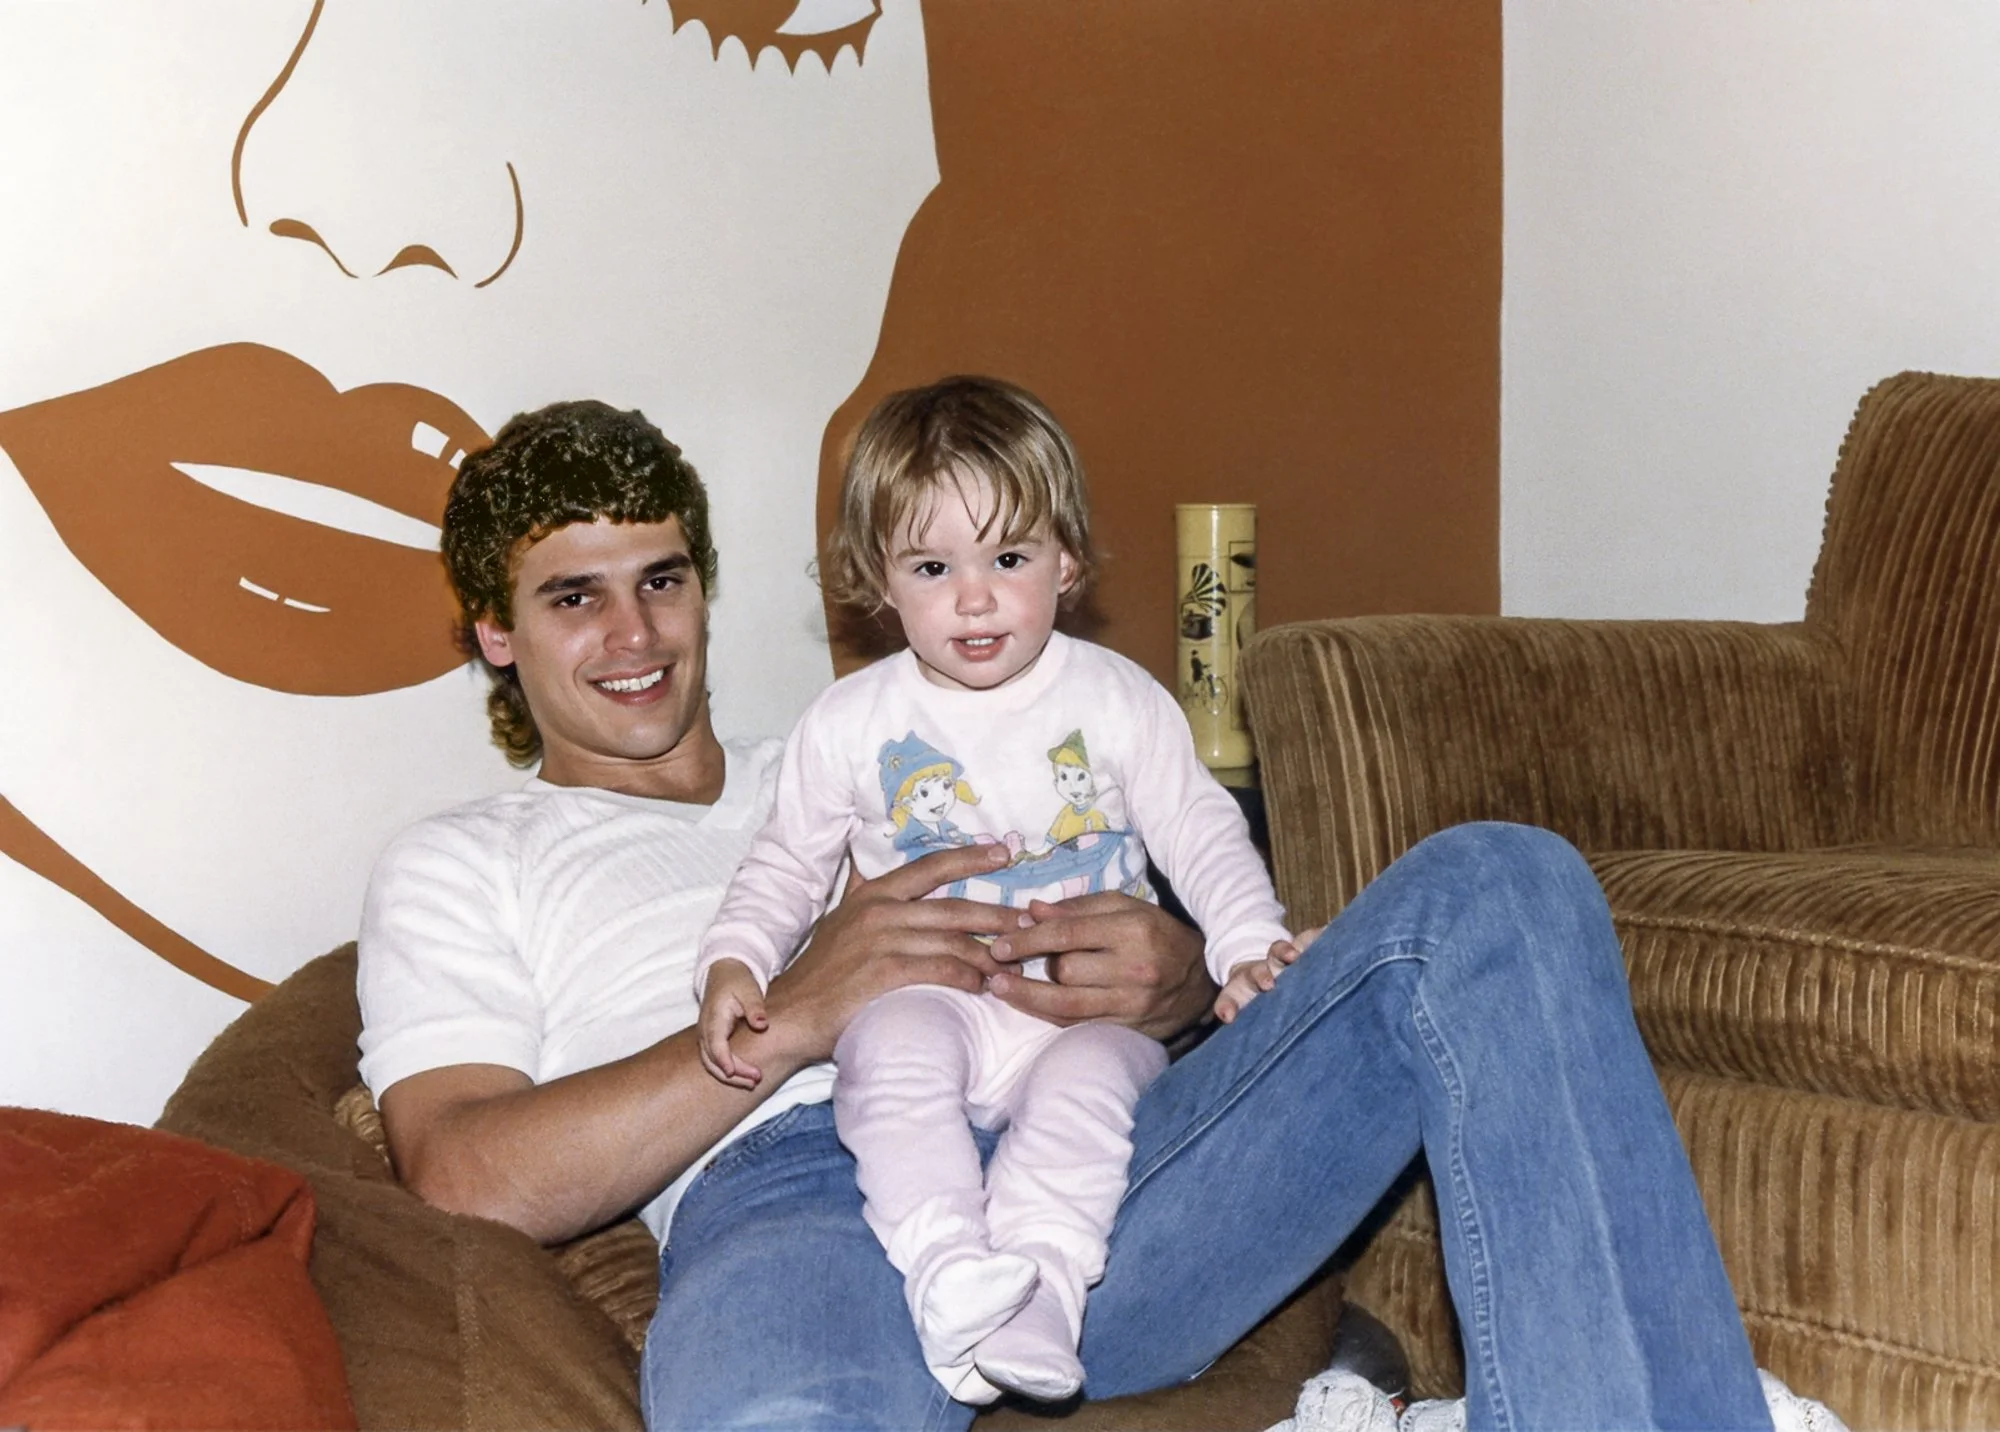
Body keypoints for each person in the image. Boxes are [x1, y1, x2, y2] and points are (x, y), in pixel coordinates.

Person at [358, 397, 1789, 1432]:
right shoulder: (468, 858)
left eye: (662, 580)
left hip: (1106, 1171)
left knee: (1499, 884)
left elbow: (1169, 871)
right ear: (495, 630)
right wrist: (799, 1017)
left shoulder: (867, 744)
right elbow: (467, 1176)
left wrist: (1171, 976)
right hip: (801, 1199)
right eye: (573, 599)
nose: (634, 636)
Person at [692, 377, 1302, 1404]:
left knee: (1089, 1099)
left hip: (1077, 1020)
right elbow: (786, 865)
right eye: (932, 566)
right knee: (887, 1057)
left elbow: (1198, 828)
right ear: (877, 580)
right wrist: (734, 961)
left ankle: (1042, 1297)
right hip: (936, 1000)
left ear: (1065, 561)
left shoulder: (1115, 699)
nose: (972, 598)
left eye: (1006, 558)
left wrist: (1246, 939)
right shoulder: (848, 722)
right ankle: (945, 1274)